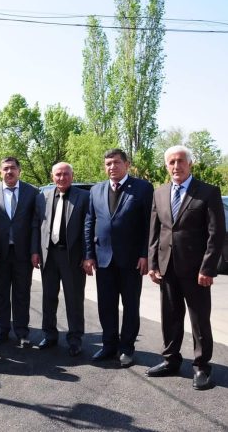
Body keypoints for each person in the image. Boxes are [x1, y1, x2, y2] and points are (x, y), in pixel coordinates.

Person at [146, 146, 225, 390]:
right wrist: (153, 264)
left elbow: (216, 234)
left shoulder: (208, 192)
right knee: (169, 316)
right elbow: (155, 232)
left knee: (199, 319)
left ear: (190, 164)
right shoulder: (159, 193)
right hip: (167, 267)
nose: (176, 166)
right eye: (171, 162)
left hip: (196, 270)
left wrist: (208, 268)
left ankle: (201, 366)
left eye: (180, 161)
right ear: (166, 166)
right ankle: (171, 360)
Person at [83, 149, 153, 367]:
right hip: (103, 260)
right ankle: (108, 345)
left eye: (116, 162)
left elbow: (149, 225)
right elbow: (89, 223)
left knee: (130, 306)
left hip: (131, 260)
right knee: (106, 305)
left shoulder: (142, 188)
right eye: (108, 164)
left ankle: (127, 349)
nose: (112, 167)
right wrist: (89, 255)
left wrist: (145, 254)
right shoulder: (96, 190)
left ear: (126, 164)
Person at [32, 162, 89, 356]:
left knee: (74, 300)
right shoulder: (42, 197)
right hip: (48, 255)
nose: (62, 177)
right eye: (58, 174)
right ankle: (49, 335)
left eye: (66, 174)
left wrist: (87, 256)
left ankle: (75, 339)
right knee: (48, 298)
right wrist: (35, 251)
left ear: (72, 176)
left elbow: (88, 228)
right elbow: (37, 225)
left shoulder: (84, 197)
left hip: (72, 257)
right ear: (52, 176)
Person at [0, 157, 38, 348]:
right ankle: (2, 329)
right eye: (5, 168)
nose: (9, 172)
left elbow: (35, 224)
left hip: (23, 253)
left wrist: (35, 250)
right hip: (0, 253)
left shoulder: (32, 192)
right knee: (1, 293)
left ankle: (22, 332)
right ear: (0, 172)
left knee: (22, 293)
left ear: (19, 170)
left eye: (13, 168)